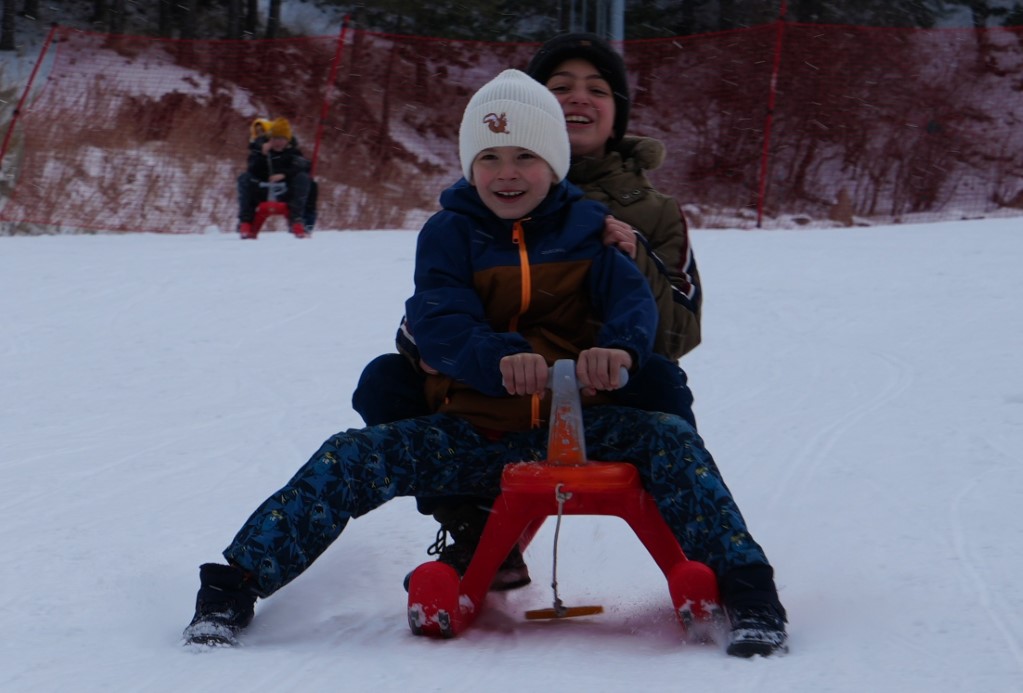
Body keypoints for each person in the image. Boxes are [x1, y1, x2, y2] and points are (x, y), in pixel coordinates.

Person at [183, 69, 787, 657]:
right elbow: (439, 319)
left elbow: (633, 306)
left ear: (554, 163)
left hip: (578, 428)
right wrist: (499, 358)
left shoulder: (590, 234)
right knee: (353, 454)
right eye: (490, 158)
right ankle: (234, 584)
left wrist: (620, 351)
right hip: (474, 431)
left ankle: (746, 588)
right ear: (470, 165)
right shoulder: (449, 233)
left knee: (670, 438)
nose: (506, 174)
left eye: (525, 156)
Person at [352, 33, 702, 591]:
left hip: (596, 385)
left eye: (598, 89)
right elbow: (434, 310)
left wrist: (633, 264)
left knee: (662, 379)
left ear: (619, 112)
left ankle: (697, 531)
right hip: (499, 386)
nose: (579, 98)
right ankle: (472, 521)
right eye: (560, 88)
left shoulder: (653, 212)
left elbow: (681, 329)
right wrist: (443, 352)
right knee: (386, 381)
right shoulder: (480, 200)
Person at [236, 116, 316, 239]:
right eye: (275, 139)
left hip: (286, 192)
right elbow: (252, 168)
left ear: (287, 140)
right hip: (263, 189)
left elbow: (303, 166)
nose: (278, 142)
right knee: (245, 178)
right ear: (270, 138)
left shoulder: (293, 152)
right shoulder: (260, 149)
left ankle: (298, 221)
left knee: (307, 181)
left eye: (282, 139)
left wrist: (284, 174)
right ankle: (245, 221)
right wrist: (262, 155)